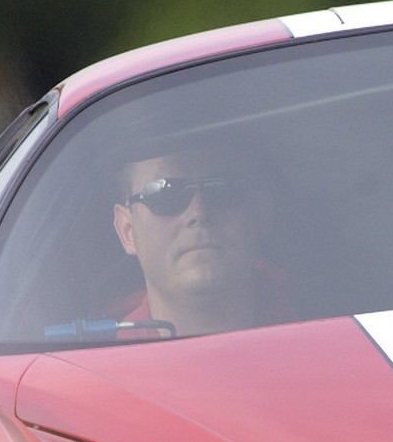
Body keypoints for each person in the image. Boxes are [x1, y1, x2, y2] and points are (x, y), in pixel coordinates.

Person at [111, 142, 272, 336]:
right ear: (127, 230)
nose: (199, 212)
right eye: (166, 195)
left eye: (223, 187)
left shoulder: (316, 318)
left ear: (263, 212)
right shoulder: (93, 362)